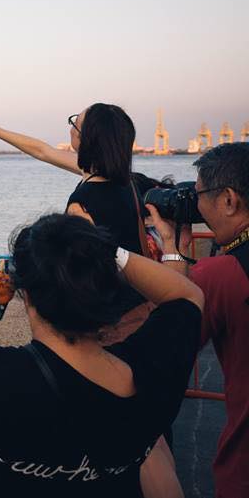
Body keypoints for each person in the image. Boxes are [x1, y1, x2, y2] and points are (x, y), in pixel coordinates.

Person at [0, 214, 203, 498]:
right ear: (105, 287)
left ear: (26, 294)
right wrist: (103, 252)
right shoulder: (153, 369)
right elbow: (188, 296)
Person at [0, 105, 161, 342]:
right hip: (141, 306)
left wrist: (18, 279)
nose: (71, 128)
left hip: (113, 325)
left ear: (87, 139)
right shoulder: (125, 182)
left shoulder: (82, 204)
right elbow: (42, 151)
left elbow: (76, 276)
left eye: (75, 124)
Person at [146, 142, 249, 498]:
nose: (197, 204)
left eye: (199, 193)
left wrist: (172, 249)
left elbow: (164, 345)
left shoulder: (223, 273)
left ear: (230, 201)